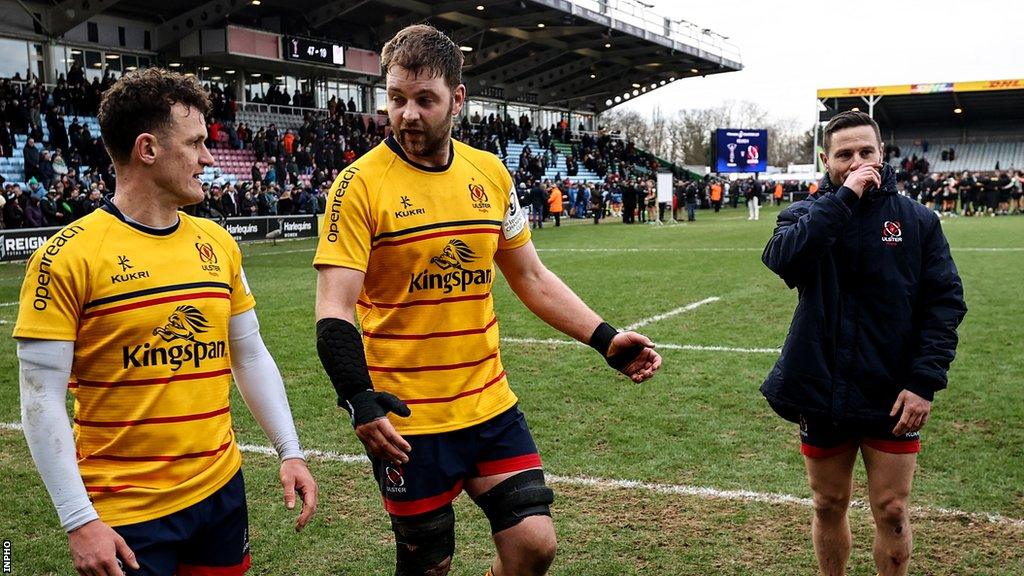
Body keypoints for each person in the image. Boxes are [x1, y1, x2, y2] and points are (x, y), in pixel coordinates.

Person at [312, 24, 662, 576]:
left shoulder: (491, 174)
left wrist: (606, 338)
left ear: (457, 99)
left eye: (425, 100)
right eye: (396, 99)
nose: (407, 115)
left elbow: (531, 277)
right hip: (408, 420)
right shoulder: (358, 186)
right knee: (429, 565)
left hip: (488, 404)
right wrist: (358, 396)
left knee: (534, 545)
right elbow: (334, 309)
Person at [14, 68, 318, 576]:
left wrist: (290, 449)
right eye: (196, 143)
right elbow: (39, 397)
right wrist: (77, 519)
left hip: (221, 493)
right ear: (148, 149)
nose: (208, 158)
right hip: (125, 515)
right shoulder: (65, 258)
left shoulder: (217, 244)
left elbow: (250, 354)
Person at [760, 111, 967, 576]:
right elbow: (782, 260)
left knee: (892, 509)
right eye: (844, 154)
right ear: (826, 160)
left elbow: (945, 303)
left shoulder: (917, 221)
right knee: (827, 503)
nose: (857, 161)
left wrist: (923, 381)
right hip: (821, 384)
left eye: (866, 152)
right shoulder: (805, 214)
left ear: (882, 153)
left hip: (892, 390)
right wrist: (845, 199)